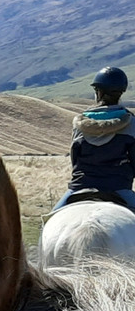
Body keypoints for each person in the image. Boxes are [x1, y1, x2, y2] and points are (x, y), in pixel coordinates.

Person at [54, 66, 135, 211]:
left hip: (81, 185)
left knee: (49, 222)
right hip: (119, 187)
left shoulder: (79, 122)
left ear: (98, 92)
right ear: (120, 93)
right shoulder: (131, 122)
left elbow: (75, 158)